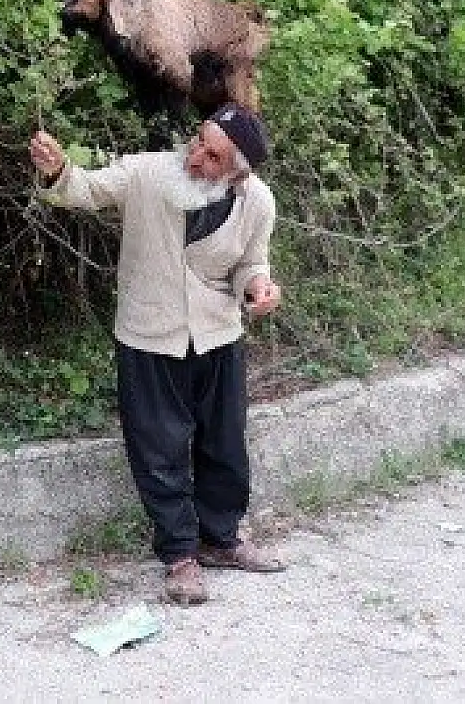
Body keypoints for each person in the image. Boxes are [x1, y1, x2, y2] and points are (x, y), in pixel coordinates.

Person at [28, 103, 284, 606]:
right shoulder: (146, 172)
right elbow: (85, 190)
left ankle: (221, 539)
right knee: (159, 451)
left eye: (214, 156)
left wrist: (259, 287)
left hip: (217, 334)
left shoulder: (257, 202)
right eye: (200, 140)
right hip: (149, 334)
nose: (197, 156)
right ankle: (180, 555)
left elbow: (251, 264)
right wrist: (58, 170)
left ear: (237, 172)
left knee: (225, 444)